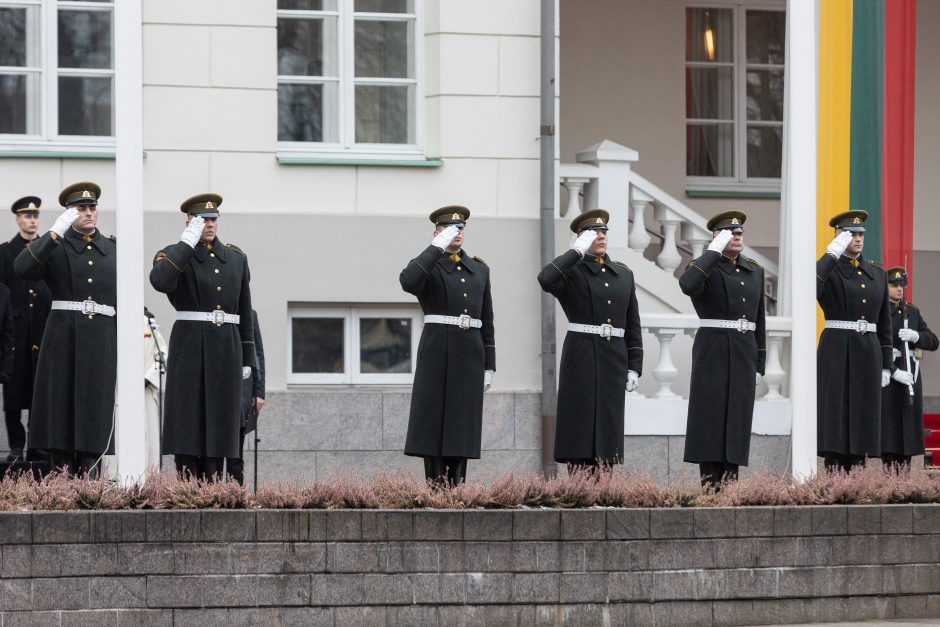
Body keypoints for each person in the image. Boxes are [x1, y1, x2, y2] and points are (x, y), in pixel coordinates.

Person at [14, 182, 117, 476]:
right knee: (59, 406)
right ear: (70, 213)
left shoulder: (111, 248)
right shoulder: (55, 245)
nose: (88, 213)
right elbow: (23, 268)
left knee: (94, 408)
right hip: (63, 338)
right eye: (81, 209)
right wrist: (53, 234)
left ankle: (91, 476)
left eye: (91, 208)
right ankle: (61, 480)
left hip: (100, 340)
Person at [150, 193, 255, 480]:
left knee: (220, 425)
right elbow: (160, 281)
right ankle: (187, 487)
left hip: (226, 349)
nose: (209, 224)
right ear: (188, 222)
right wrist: (187, 242)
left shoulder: (236, 258)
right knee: (188, 421)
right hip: (190, 346)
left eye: (212, 219)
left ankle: (213, 486)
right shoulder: (173, 255)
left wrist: (250, 362)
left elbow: (245, 314)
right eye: (202, 220)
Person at [537, 209, 643, 473]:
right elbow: (545, 278)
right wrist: (576, 252)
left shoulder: (623, 274)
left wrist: (634, 366)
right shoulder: (571, 272)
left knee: (608, 425)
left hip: (614, 359)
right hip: (581, 355)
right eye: (593, 232)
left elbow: (632, 324)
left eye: (604, 232)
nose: (600, 236)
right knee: (579, 422)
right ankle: (579, 487)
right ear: (581, 238)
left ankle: (603, 488)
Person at [399, 206, 495, 486]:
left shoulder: (479, 269)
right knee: (434, 424)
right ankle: (436, 486)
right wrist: (434, 248)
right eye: (450, 228)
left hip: (470, 355)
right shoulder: (428, 266)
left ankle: (457, 487)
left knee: (461, 425)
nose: (457, 233)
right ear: (437, 232)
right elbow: (408, 281)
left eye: (461, 228)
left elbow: (486, 319)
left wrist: (489, 364)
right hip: (438, 352)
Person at [679, 211, 766, 487]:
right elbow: (687, 284)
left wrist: (759, 363)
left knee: (736, 421)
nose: (738, 236)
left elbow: (758, 320)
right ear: (716, 236)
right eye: (731, 233)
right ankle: (710, 486)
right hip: (713, 352)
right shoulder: (705, 267)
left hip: (743, 353)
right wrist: (712, 251)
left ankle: (731, 487)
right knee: (710, 420)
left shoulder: (754, 270)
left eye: (740, 233)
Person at [816, 210, 893, 473]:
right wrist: (830, 255)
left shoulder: (877, 273)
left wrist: (886, 363)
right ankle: (835, 472)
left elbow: (885, 322)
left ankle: (858, 476)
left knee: (863, 415)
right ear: (838, 236)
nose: (858, 239)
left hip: (867, 350)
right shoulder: (828, 269)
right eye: (851, 234)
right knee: (836, 413)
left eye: (860, 234)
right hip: (837, 347)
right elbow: (810, 287)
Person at [0, 196, 51, 462]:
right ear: (18, 219)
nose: (32, 220)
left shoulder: (49, 249)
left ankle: (38, 443)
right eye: (27, 216)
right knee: (13, 391)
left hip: (43, 330)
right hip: (15, 333)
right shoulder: (5, 252)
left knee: (39, 390)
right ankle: (16, 445)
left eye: (35, 216)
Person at [880, 267, 938, 469]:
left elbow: (933, 341)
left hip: (911, 375)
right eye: (893, 285)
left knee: (908, 429)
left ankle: (904, 477)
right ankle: (890, 476)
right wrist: (893, 371)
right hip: (889, 374)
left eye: (901, 285)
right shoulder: (879, 311)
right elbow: (875, 345)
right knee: (890, 431)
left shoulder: (912, 311)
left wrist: (916, 336)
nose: (898, 289)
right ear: (885, 286)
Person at [226, 309, 265, 485]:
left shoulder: (250, 314)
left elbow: (257, 354)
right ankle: (209, 495)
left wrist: (259, 391)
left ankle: (233, 497)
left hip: (242, 388)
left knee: (236, 452)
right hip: (218, 386)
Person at [144, 308, 168, 471]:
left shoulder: (148, 323)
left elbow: (162, 354)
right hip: (118, 392)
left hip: (146, 390)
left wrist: (149, 378)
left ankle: (150, 485)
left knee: (150, 439)